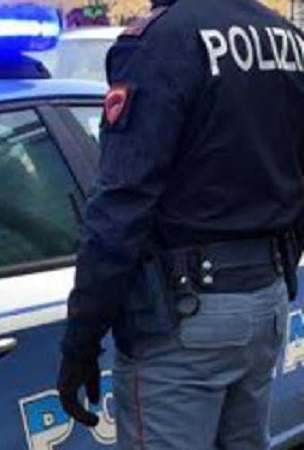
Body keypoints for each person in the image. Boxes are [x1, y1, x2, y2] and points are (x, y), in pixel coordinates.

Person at [56, 0, 304, 448]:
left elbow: (120, 204)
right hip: (266, 297)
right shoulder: (286, 38)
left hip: (186, 319)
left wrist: (81, 340)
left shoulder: (161, 42)